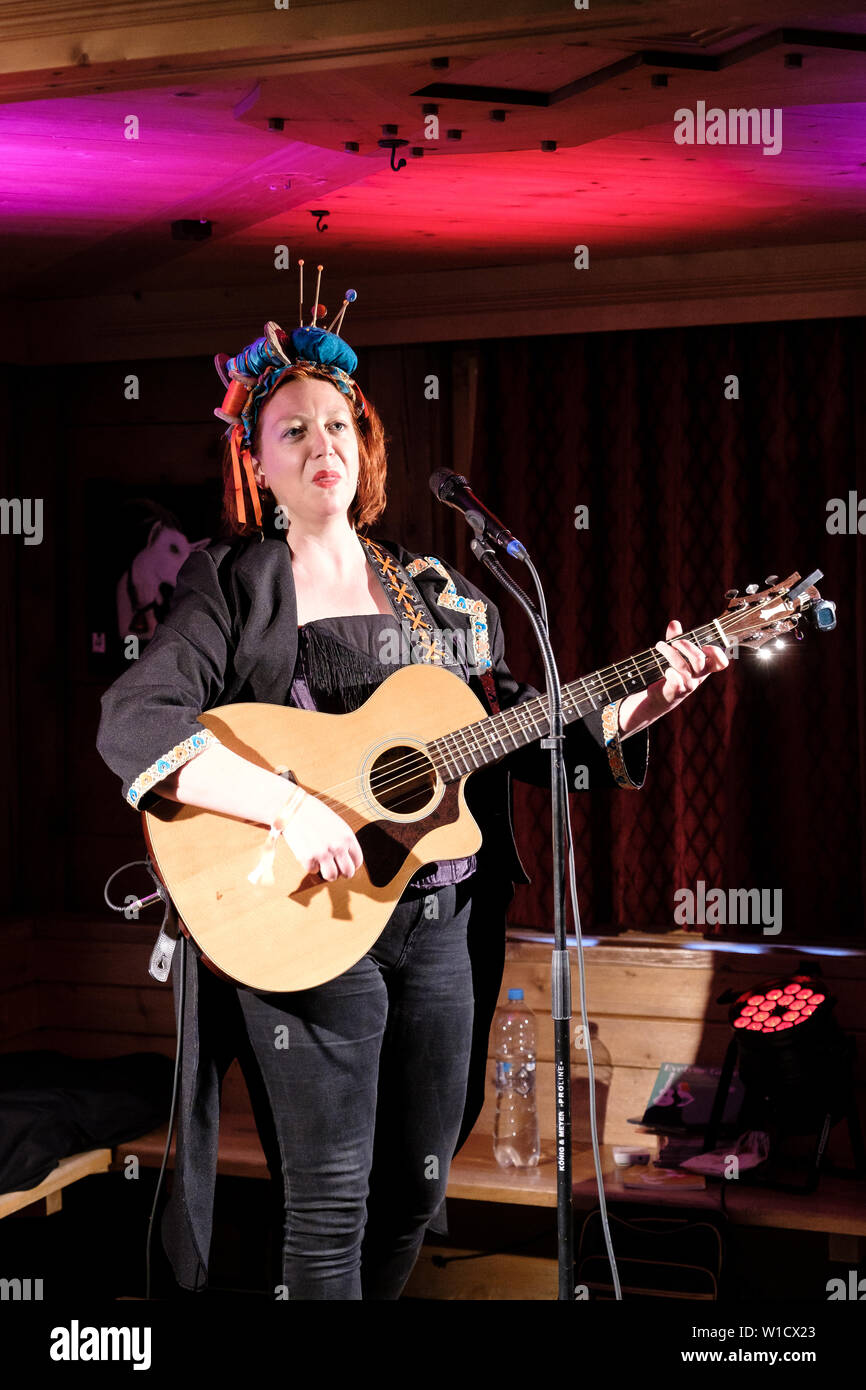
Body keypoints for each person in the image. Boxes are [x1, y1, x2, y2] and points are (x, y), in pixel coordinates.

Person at [96, 279, 729, 1300]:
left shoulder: (430, 587)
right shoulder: (232, 584)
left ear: (365, 441)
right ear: (257, 458)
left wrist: (646, 697)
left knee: (409, 1190)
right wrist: (290, 804)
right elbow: (134, 721)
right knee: (331, 1197)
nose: (321, 443)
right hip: (309, 922)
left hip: (440, 922)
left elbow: (520, 727)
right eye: (292, 429)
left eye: (338, 423)